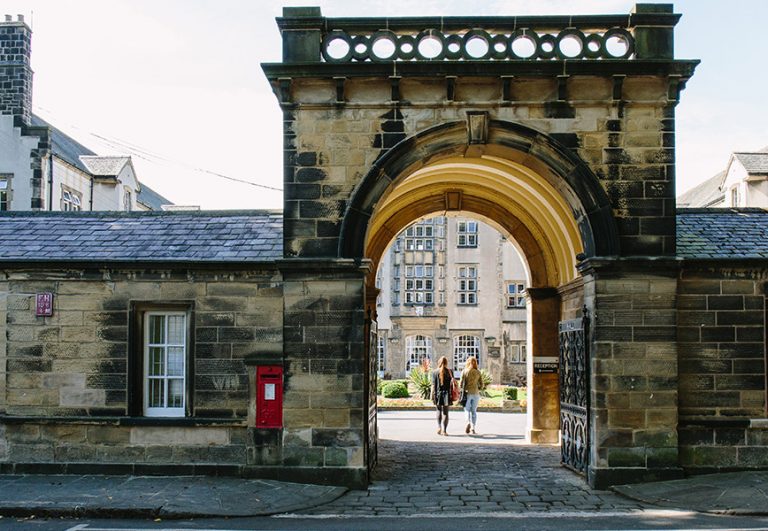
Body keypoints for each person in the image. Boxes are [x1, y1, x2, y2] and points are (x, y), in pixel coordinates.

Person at [431, 356, 454, 435]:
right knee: (445, 413)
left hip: (437, 394)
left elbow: (433, 385)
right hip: (447, 394)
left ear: (439, 362)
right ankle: (444, 430)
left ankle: (439, 427)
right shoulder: (450, 371)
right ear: (446, 363)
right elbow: (452, 384)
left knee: (438, 411)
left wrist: (432, 396)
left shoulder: (434, 372)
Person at [460, 356, 483, 434]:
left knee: (467, 410)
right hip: (476, 393)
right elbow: (481, 384)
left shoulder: (464, 371)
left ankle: (467, 423)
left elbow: (461, 383)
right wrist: (478, 388)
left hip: (467, 393)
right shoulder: (478, 372)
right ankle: (473, 428)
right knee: (474, 411)